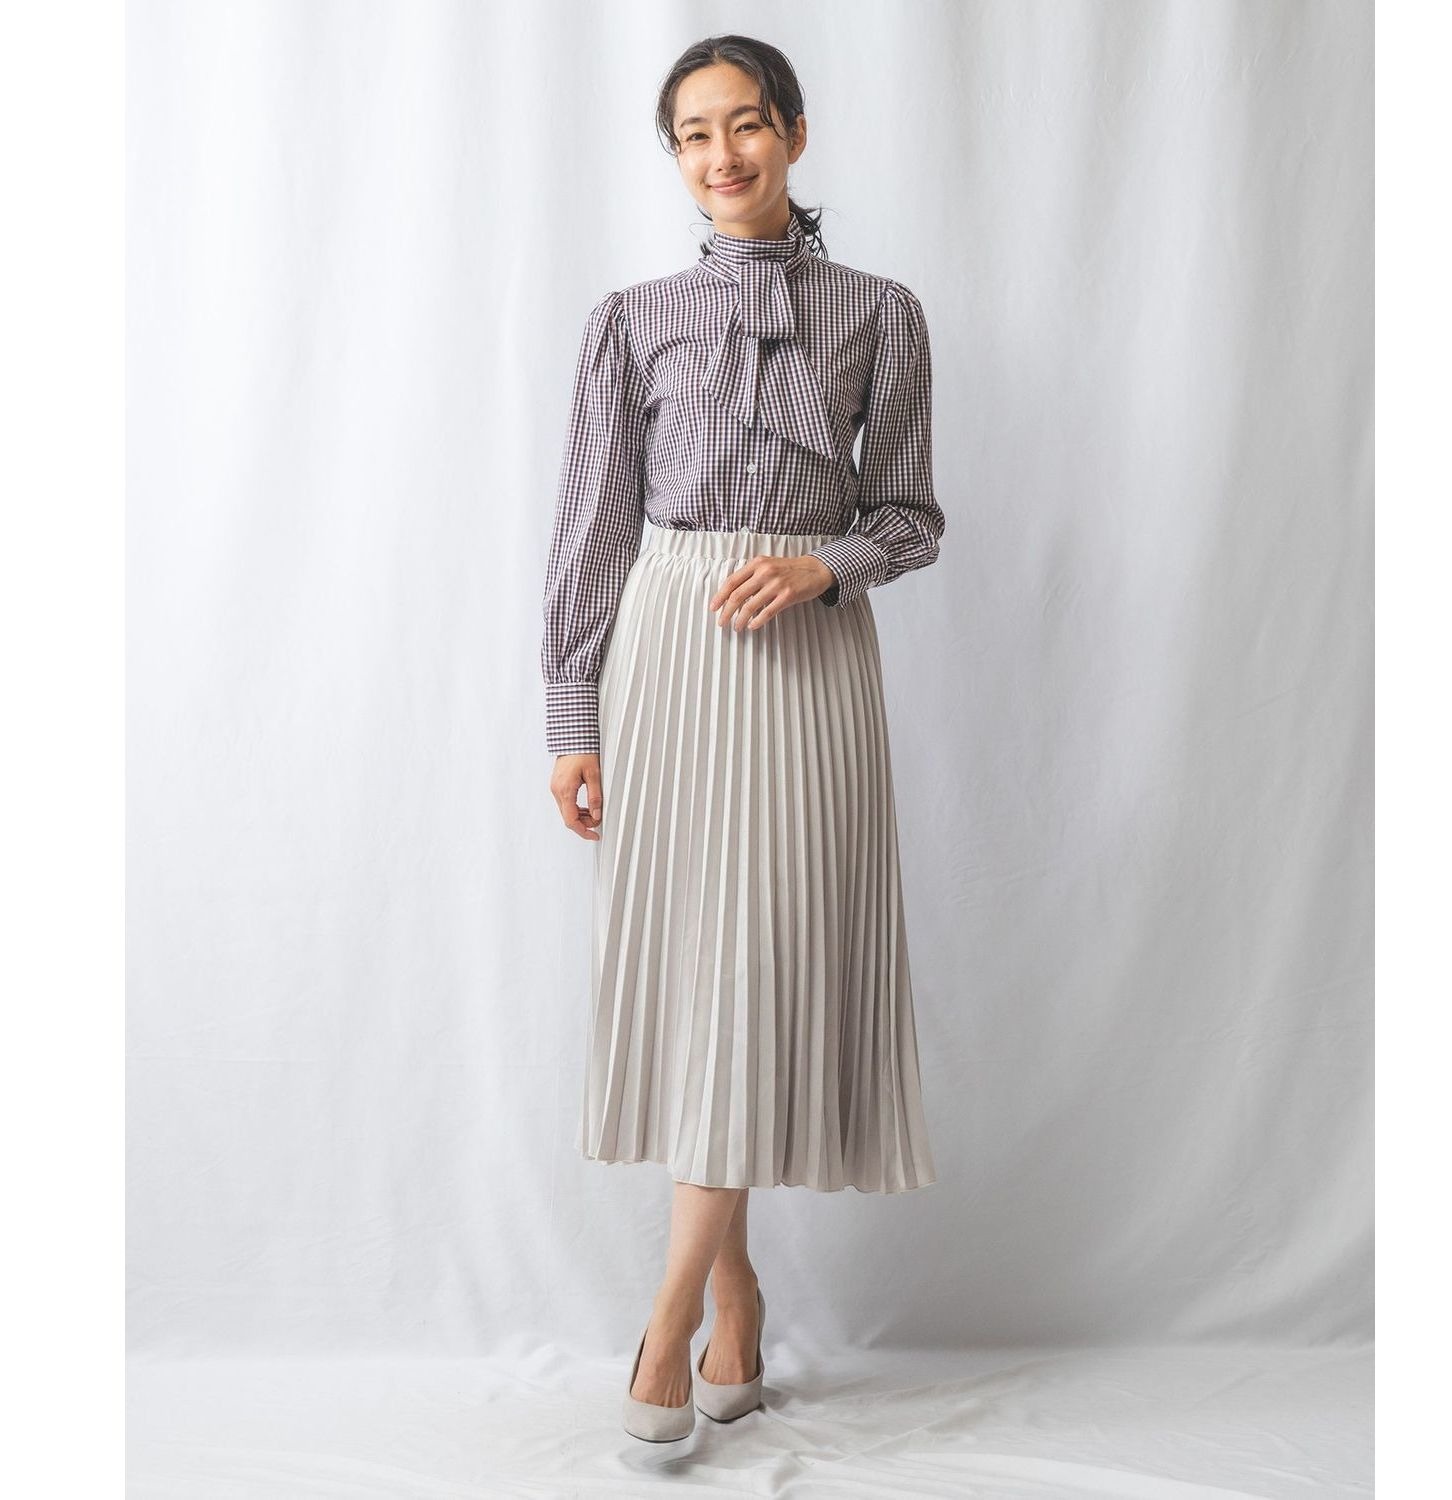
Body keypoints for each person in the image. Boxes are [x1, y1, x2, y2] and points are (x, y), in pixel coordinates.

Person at [540, 35, 945, 1442]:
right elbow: (592, 527)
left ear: (796, 132)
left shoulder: (882, 313)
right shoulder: (630, 321)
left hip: (811, 664)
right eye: (696, 134)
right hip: (668, 653)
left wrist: (825, 564)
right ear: (675, 156)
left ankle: (669, 1318)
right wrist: (571, 717)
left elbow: (911, 515)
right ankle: (732, 1294)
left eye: (749, 124)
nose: (724, 155)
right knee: (700, 977)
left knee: (765, 968)